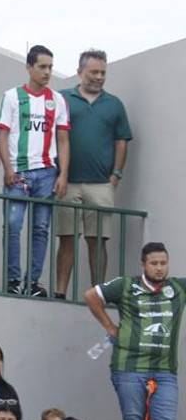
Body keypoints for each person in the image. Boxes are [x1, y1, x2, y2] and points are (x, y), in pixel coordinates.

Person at [84, 241, 183, 420]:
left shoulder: (178, 288)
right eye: (154, 263)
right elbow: (91, 295)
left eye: (163, 263)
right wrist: (109, 326)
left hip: (165, 370)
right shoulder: (126, 285)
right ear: (143, 264)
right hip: (128, 367)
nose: (159, 268)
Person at [55, 51, 133, 297]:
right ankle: (60, 293)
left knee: (98, 241)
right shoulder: (62, 98)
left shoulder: (114, 104)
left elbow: (122, 140)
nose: (99, 77)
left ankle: (98, 294)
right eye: (94, 72)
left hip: (101, 184)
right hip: (67, 182)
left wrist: (116, 175)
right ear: (80, 72)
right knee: (67, 238)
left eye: (103, 73)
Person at [0, 45, 71, 297]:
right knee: (13, 225)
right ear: (29, 67)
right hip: (18, 171)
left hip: (47, 172)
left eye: (50, 67)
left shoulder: (57, 100)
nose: (47, 72)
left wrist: (63, 174)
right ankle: (13, 280)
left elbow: (63, 140)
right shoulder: (11, 96)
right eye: (42, 66)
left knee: (40, 229)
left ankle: (32, 283)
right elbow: (2, 134)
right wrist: (8, 167)